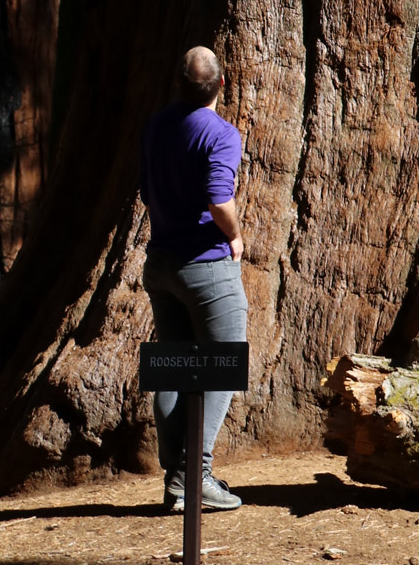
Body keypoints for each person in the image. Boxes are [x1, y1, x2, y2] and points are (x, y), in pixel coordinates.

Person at [141, 46, 248, 513]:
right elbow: (218, 199)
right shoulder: (222, 134)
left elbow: (146, 189)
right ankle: (194, 476)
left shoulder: (156, 126)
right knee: (221, 365)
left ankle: (176, 479)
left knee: (173, 367)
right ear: (222, 85)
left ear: (177, 84)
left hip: (161, 264)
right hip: (206, 268)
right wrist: (237, 234)